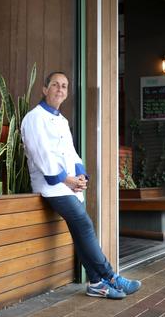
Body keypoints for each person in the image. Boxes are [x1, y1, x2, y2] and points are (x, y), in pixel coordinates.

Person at [21, 72, 141, 299]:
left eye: (64, 86)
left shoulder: (63, 121)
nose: (60, 89)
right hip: (50, 186)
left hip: (69, 185)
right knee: (84, 224)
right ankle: (112, 277)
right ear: (44, 89)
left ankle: (96, 284)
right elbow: (41, 156)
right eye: (55, 85)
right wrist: (67, 180)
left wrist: (81, 175)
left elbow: (72, 153)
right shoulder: (34, 118)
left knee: (80, 231)